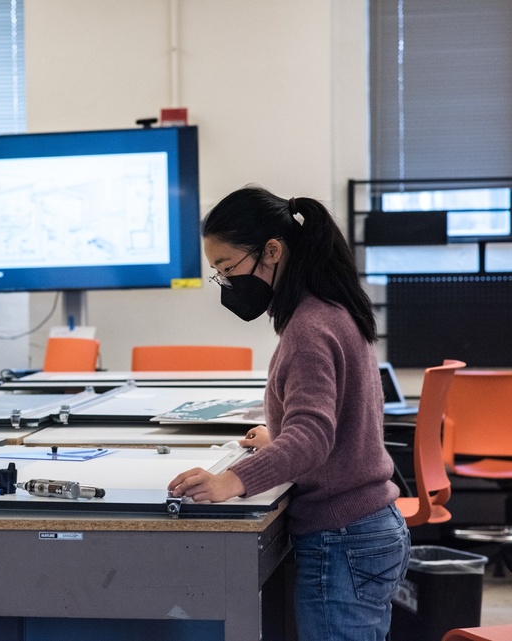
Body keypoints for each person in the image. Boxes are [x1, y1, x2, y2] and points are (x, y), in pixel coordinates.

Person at [168, 186, 410, 641]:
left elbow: (314, 437)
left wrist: (230, 481)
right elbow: (342, 420)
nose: (225, 281)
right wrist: (278, 437)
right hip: (367, 526)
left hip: (342, 537)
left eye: (227, 267)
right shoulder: (331, 309)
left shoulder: (309, 328)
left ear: (272, 251)